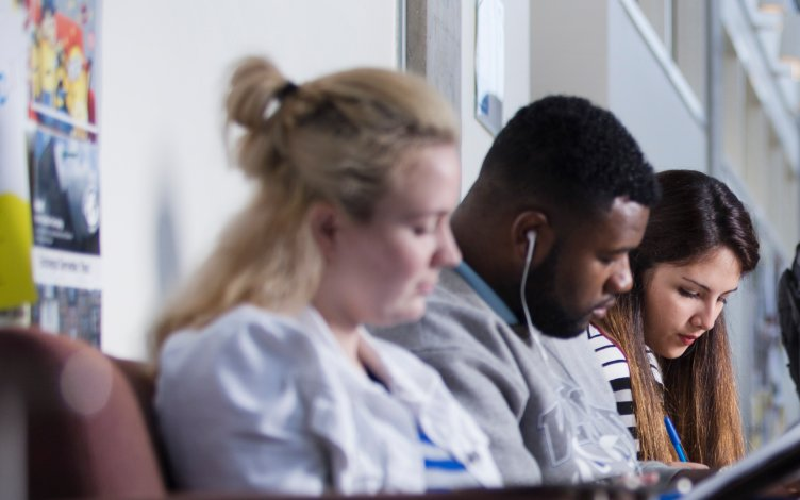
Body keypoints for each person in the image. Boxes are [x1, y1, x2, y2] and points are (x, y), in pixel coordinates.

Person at [152, 56, 502, 495]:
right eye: (422, 227)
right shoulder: (246, 360)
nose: (449, 254)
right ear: (328, 229)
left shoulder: (411, 378)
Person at [372, 95, 662, 485]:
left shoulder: (552, 310)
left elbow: (604, 469)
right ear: (529, 236)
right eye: (610, 256)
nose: (625, 280)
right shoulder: (440, 346)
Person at [589, 169, 760, 469]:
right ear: (632, 270)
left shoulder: (647, 362)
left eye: (723, 300)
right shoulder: (611, 364)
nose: (708, 321)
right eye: (690, 292)